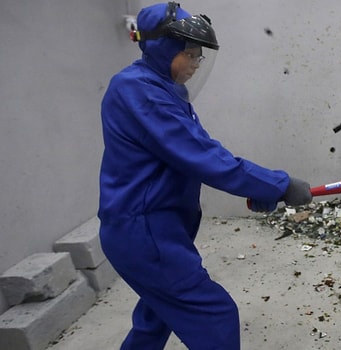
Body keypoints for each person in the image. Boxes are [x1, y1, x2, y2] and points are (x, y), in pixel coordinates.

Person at [97, 2, 312, 349]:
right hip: (144, 230)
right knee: (214, 315)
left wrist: (263, 189)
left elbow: (196, 153)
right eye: (191, 54)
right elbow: (203, 157)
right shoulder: (139, 91)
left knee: (155, 318)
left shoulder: (160, 87)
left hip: (151, 225)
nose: (196, 64)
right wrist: (279, 184)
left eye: (200, 56)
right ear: (164, 48)